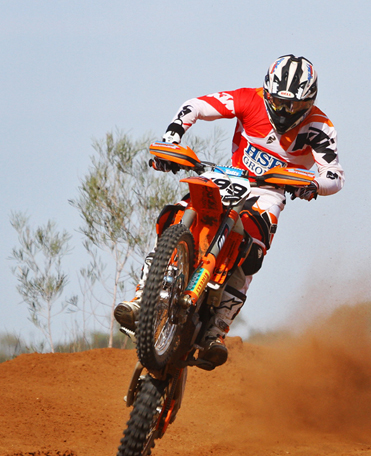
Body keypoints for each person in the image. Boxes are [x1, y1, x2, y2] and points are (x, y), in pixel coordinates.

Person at [114, 54, 344, 368]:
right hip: (229, 175)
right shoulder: (249, 99)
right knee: (175, 212)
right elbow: (195, 105)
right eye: (278, 102)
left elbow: (334, 174)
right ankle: (143, 296)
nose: (284, 110)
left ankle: (217, 330)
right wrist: (172, 136)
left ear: (309, 102)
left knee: (254, 251)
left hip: (271, 191)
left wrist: (314, 185)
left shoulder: (319, 126)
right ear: (267, 92)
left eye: (294, 106)